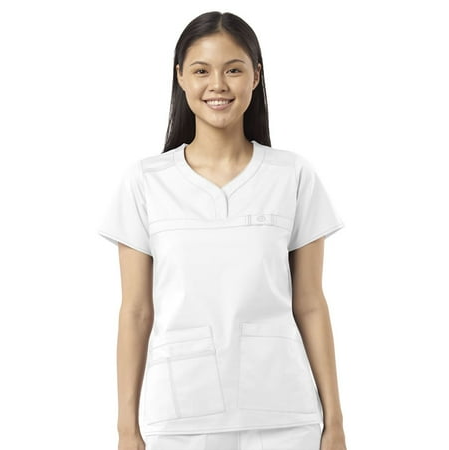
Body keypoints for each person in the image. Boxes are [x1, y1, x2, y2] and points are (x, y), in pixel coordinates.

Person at [98, 11, 348, 450]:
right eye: (201, 71)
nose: (218, 84)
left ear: (256, 76)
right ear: (180, 77)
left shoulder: (292, 176)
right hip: (179, 418)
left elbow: (310, 304)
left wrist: (335, 424)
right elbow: (136, 312)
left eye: (233, 69)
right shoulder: (146, 182)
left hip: (284, 416)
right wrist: (126, 430)